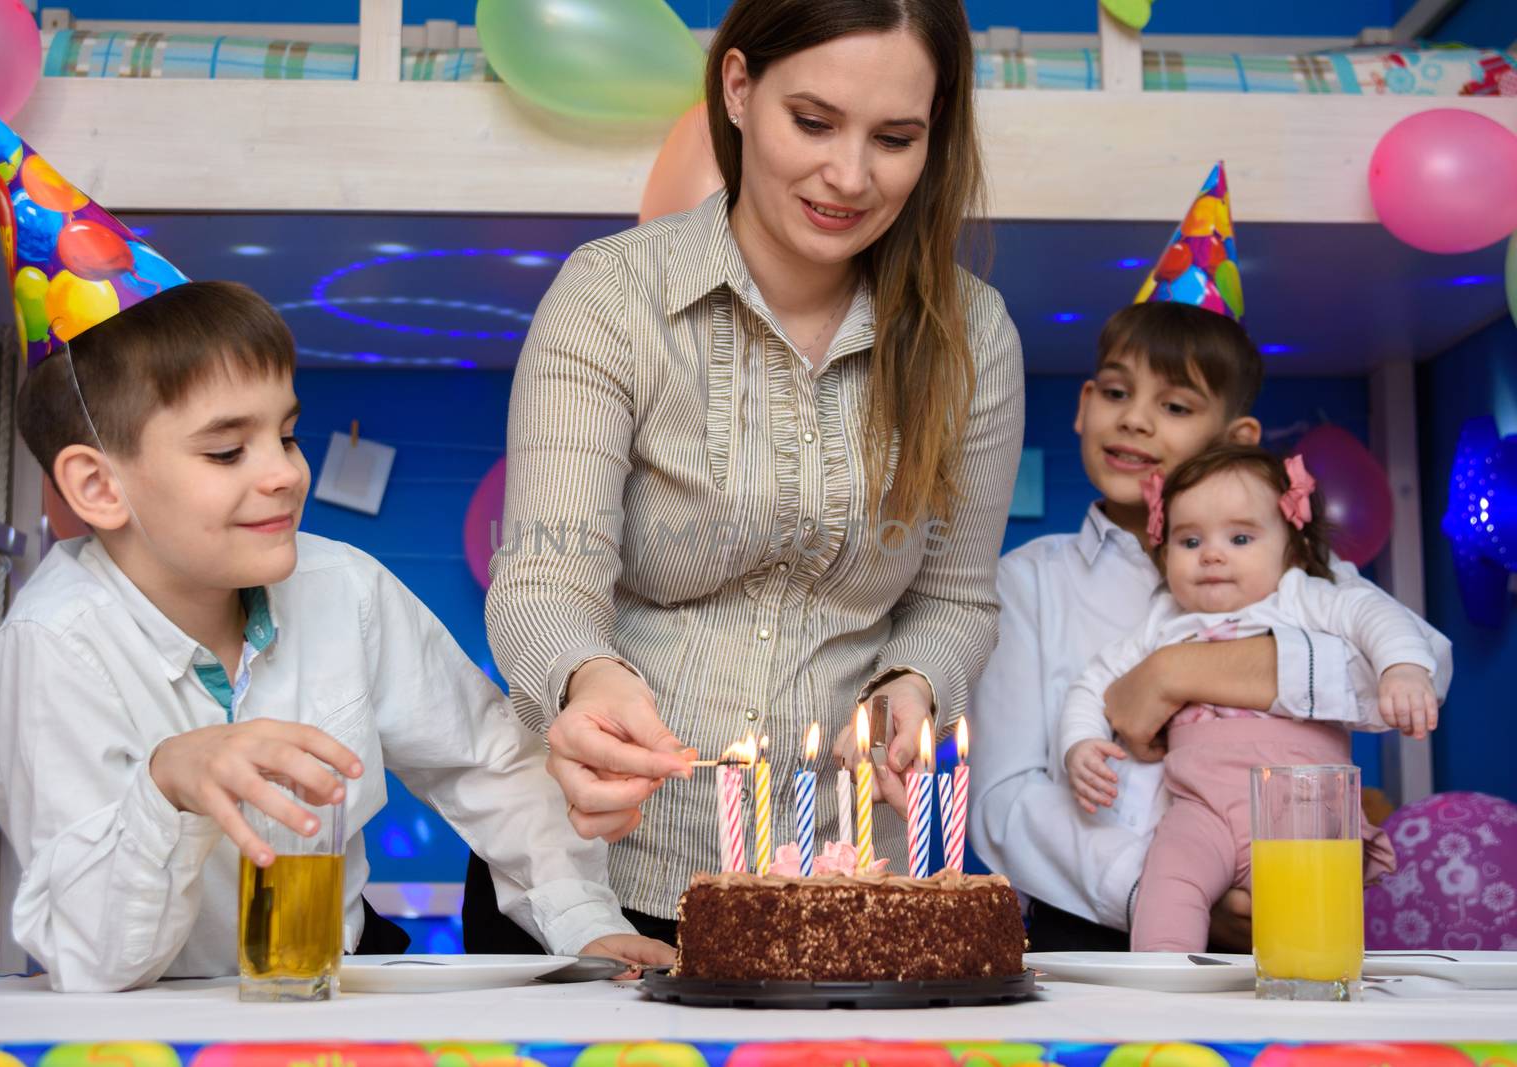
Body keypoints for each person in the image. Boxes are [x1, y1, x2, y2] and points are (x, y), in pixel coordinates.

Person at [0, 112, 669, 991]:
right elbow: (92, 961)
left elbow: (491, 763)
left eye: (288, 435)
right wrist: (168, 782)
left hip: (320, 1004)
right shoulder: (53, 650)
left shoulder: (345, 587)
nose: (283, 475)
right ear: (98, 487)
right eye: (227, 451)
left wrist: (584, 924)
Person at [480, 0, 1025, 939]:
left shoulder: (972, 338)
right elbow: (542, 577)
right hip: (604, 874)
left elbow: (957, 601)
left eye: (895, 138)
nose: (849, 176)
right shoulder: (611, 297)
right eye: (812, 122)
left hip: (848, 884)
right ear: (738, 88)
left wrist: (916, 683)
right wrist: (584, 680)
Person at [966, 162, 1453, 952]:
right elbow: (1006, 798)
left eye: (1177, 405)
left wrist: (1178, 675)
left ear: (1236, 442)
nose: (1136, 423)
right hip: (1093, 926)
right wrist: (1160, 883)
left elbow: (1421, 664)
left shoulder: (1293, 572)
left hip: (1284, 898)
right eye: (1118, 393)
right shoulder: (1028, 582)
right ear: (1084, 407)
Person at [1059, 444, 1445, 951]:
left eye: (1240, 537)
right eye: (1189, 540)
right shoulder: (1164, 624)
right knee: (1168, 885)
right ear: (1163, 551)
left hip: (1303, 810)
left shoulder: (1302, 598)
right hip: (1200, 809)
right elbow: (1095, 681)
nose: (1212, 554)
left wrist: (1402, 669)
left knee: (1311, 939)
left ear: (1291, 546)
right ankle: (1159, 990)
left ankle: (1310, 1011)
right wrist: (1081, 743)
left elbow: (1376, 617)